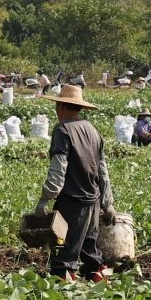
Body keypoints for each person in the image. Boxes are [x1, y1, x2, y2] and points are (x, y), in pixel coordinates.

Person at [29, 84, 115, 281]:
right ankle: (102, 280)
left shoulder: (63, 130)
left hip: (72, 202)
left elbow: (59, 168)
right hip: (93, 201)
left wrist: (45, 198)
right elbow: (103, 170)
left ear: (61, 106)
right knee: (91, 252)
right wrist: (107, 203)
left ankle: (66, 287)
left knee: (64, 256)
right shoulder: (92, 130)